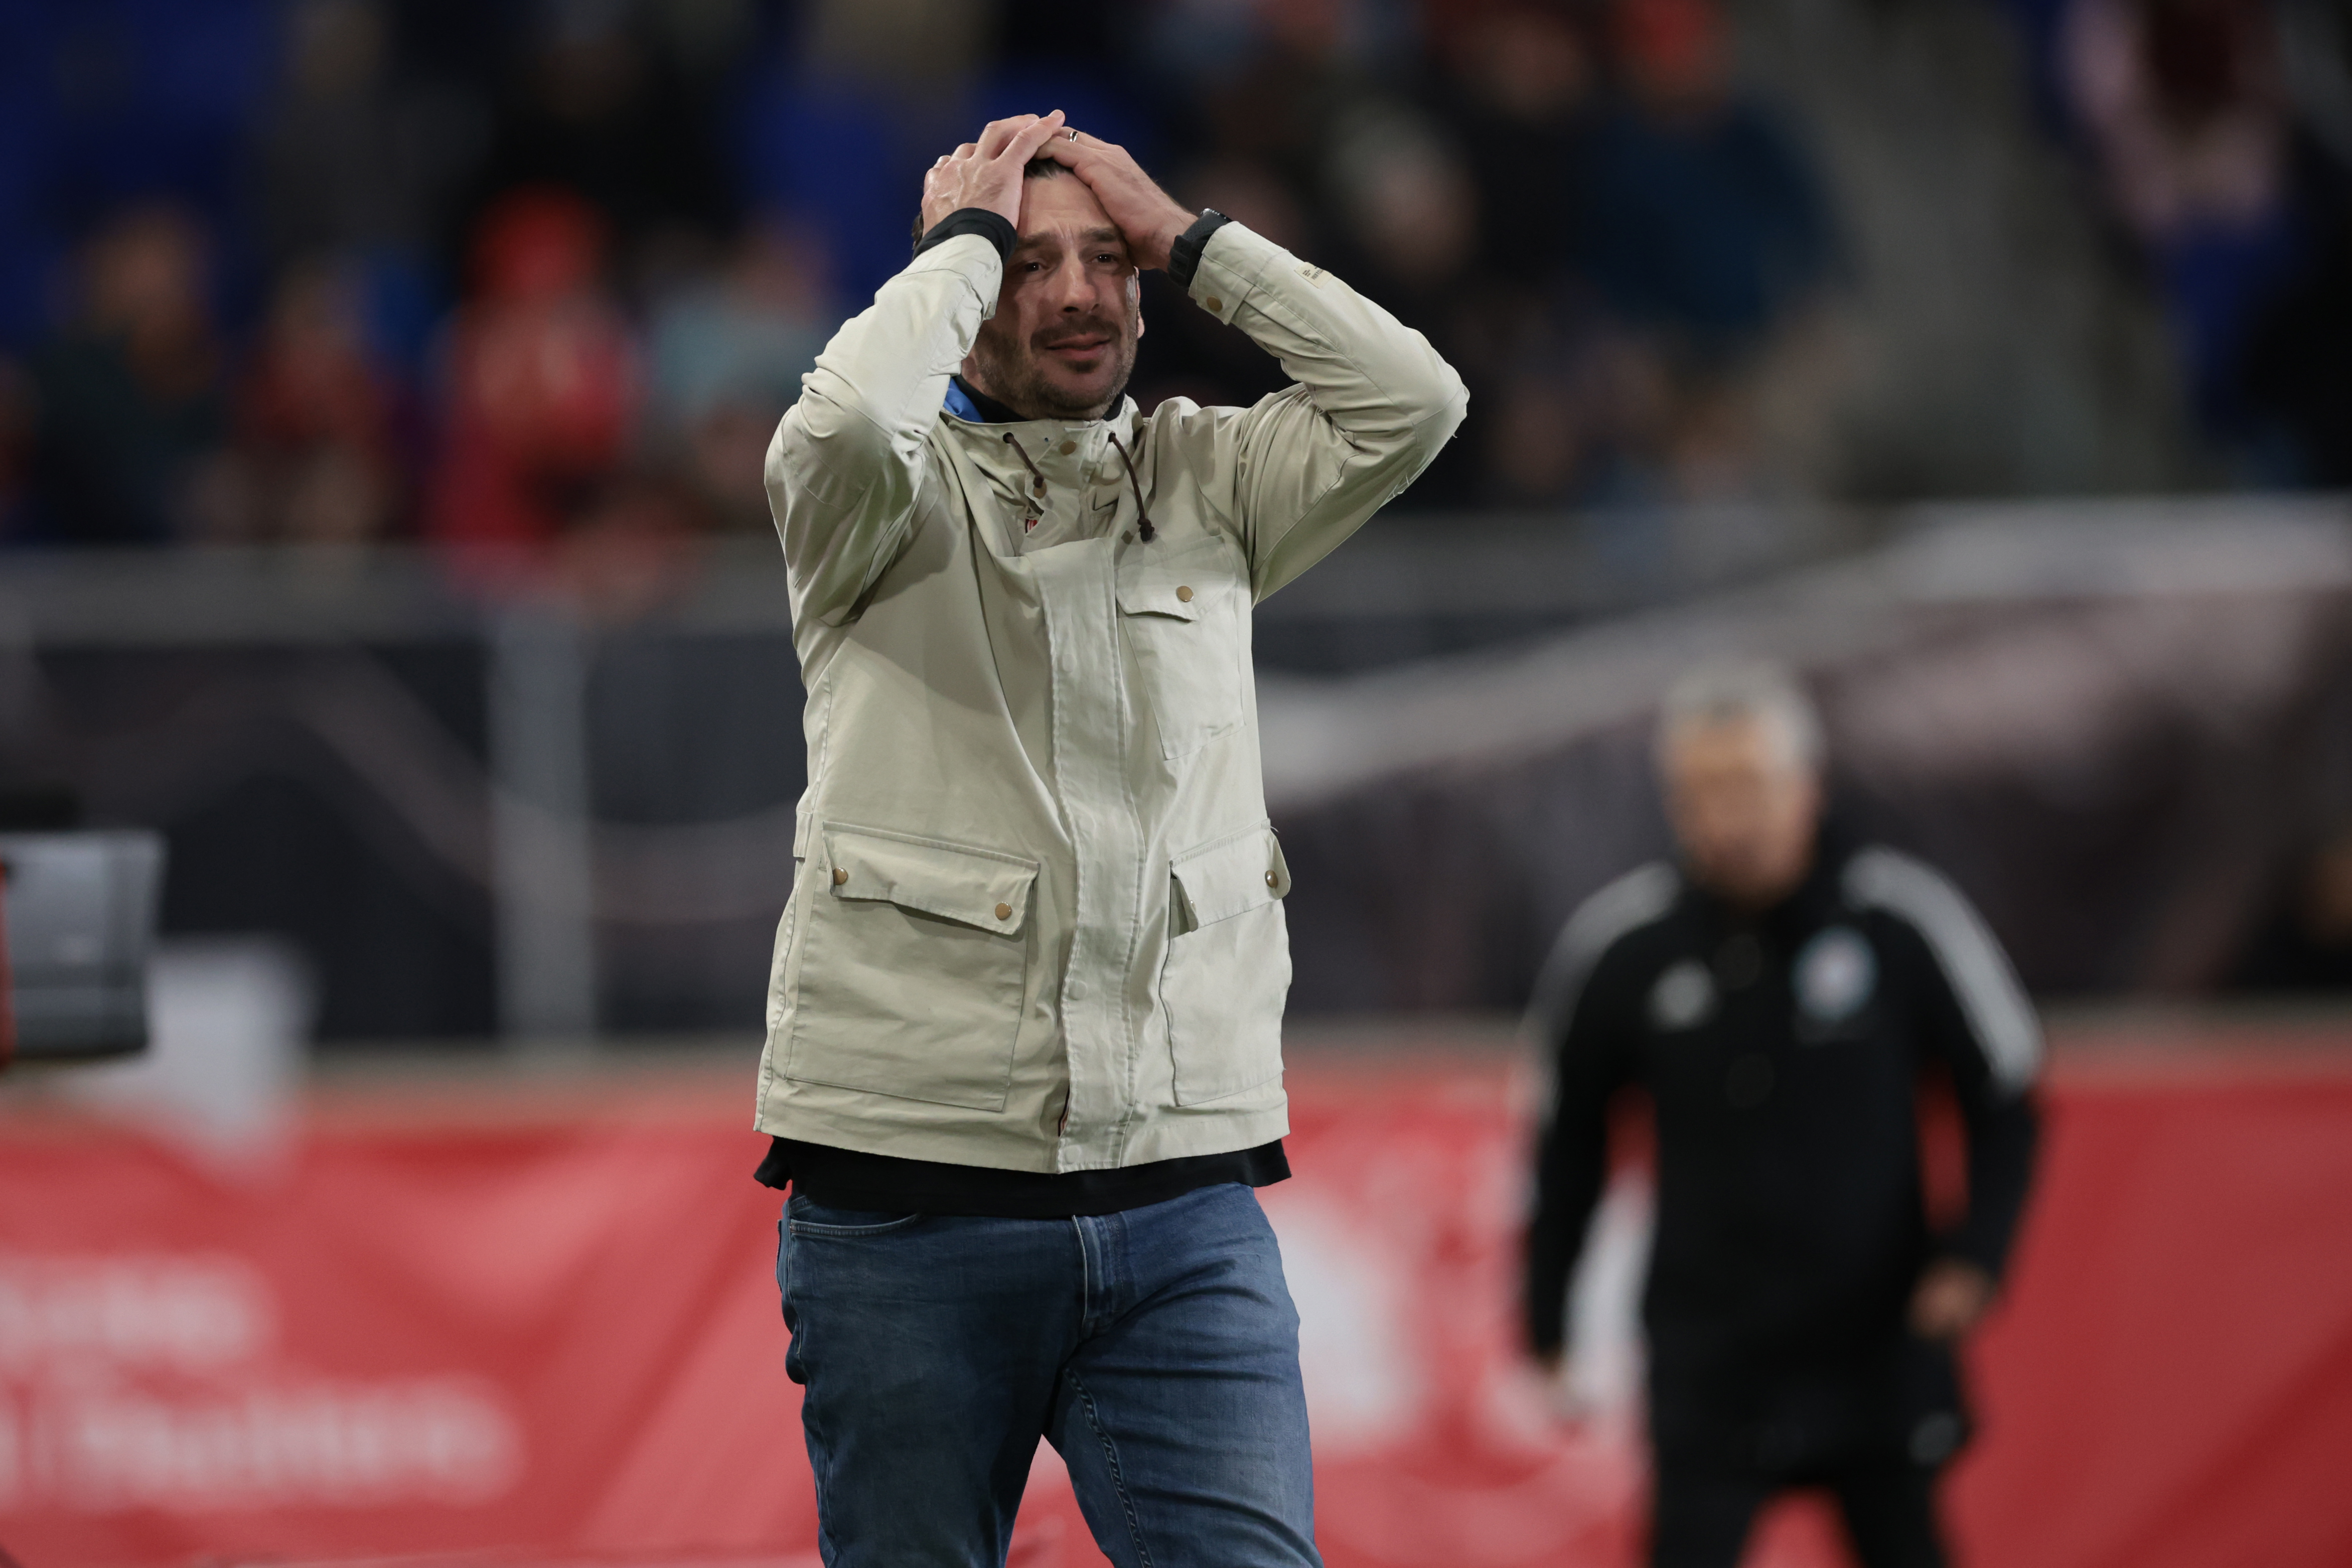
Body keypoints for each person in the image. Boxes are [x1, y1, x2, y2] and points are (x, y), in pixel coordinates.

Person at [755, 111, 1467, 1568]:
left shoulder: (1211, 477)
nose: (1079, 294)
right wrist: (959, 244)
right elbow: (845, 422)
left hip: (1183, 1199)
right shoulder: (875, 497)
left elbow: (1416, 400)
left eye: (1106, 260)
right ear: (963, 293)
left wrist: (1194, 243)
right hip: (908, 1202)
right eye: (1031, 265)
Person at [1523, 662, 2040, 1568]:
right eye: (1702, 793)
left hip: (1877, 1339)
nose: (1729, 819)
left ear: (1808, 785)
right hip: (1711, 1354)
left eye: (1749, 786)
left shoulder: (1897, 919)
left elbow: (2007, 1093)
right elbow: (1567, 1139)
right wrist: (1549, 1319)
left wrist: (1975, 1256)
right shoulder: (1627, 948)